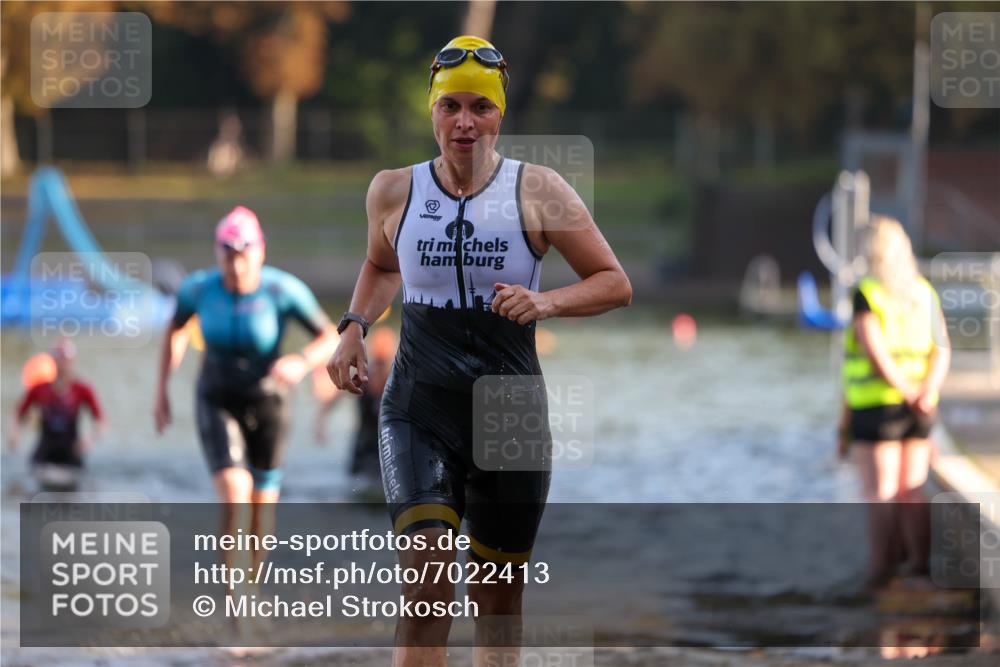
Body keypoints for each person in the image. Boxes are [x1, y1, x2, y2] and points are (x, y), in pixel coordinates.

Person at [326, 35, 632, 667]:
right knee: (426, 584)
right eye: (450, 107)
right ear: (432, 112)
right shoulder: (391, 191)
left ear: (500, 115)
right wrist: (354, 324)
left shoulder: (539, 190)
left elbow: (614, 283)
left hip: (510, 410)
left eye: (480, 108)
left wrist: (545, 303)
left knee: (497, 601)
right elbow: (383, 265)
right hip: (419, 404)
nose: (464, 122)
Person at [154, 206, 339, 572]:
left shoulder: (282, 290)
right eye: (228, 257)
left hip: (270, 399)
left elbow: (330, 336)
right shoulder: (198, 289)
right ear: (217, 253)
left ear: (260, 252)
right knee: (235, 498)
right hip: (217, 395)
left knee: (261, 518)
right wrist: (162, 388)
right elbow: (174, 330)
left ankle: (250, 584)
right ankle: (236, 601)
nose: (236, 268)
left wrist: (301, 361)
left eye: (244, 257)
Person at [839, 215, 950, 589]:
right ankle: (920, 567)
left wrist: (904, 391)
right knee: (913, 489)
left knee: (881, 492)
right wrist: (927, 393)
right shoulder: (923, 291)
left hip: (879, 406)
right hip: (920, 406)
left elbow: (875, 352)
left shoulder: (867, 293)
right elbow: (942, 348)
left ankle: (880, 573)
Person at [8, 339, 106, 491]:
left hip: (71, 451)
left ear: (73, 361)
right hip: (45, 450)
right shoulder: (39, 389)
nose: (63, 364)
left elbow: (101, 421)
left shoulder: (82, 389)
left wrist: (89, 439)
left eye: (66, 359)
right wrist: (14, 434)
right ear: (52, 361)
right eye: (59, 358)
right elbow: (18, 414)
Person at [314, 326, 397, 497]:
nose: (380, 365)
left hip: (388, 444)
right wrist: (320, 424)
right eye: (378, 361)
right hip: (362, 443)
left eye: (383, 361)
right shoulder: (361, 377)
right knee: (357, 485)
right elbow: (331, 401)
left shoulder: (397, 380)